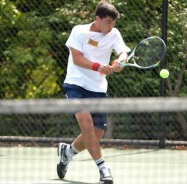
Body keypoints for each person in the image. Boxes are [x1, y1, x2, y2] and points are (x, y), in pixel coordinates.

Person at [57, 1, 130, 184]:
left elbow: (123, 53)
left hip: (97, 88)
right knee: (86, 124)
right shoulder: (79, 31)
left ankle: (68, 152)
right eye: (107, 22)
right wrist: (98, 66)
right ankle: (103, 168)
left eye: (113, 23)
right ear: (97, 19)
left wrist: (119, 62)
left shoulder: (114, 34)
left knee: (97, 134)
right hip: (76, 85)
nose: (111, 26)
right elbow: (77, 58)